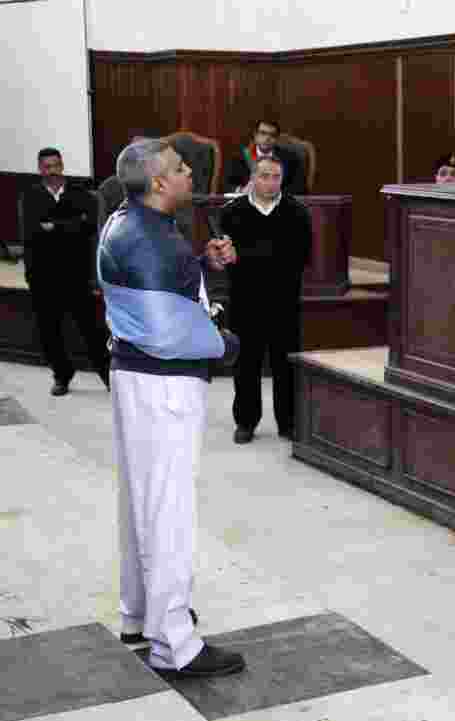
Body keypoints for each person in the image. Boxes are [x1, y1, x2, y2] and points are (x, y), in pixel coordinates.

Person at [97, 138, 244, 678]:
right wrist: (224, 344)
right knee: (169, 511)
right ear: (157, 183)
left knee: (142, 501)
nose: (189, 175)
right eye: (181, 169)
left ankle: (141, 617)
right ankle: (174, 644)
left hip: (136, 378)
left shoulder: (128, 221)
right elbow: (169, 330)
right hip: (164, 386)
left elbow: (167, 302)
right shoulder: (154, 241)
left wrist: (203, 268)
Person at [220, 154, 313, 444]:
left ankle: (289, 422)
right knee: (246, 364)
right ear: (252, 178)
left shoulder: (297, 212)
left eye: (276, 177)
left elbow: (297, 258)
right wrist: (246, 258)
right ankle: (246, 421)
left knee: (285, 364)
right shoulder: (232, 212)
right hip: (244, 300)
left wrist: (245, 257)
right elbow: (228, 257)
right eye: (264, 176)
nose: (270, 183)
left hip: (283, 300)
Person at [20, 147, 110, 396]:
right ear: (40, 169)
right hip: (44, 277)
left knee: (92, 330)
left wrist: (53, 227)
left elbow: (89, 227)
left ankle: (108, 375)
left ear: (62, 166)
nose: (52, 172)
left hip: (77, 275)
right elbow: (31, 234)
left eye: (56, 166)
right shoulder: (30, 197)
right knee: (50, 333)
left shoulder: (80, 194)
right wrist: (71, 226)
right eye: (47, 167)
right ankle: (62, 375)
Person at [225, 119, 307, 195]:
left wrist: (274, 192)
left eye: (272, 135)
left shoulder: (290, 158)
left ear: (277, 139)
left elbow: (300, 187)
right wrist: (241, 190)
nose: (267, 138)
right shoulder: (240, 158)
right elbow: (227, 185)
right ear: (255, 135)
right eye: (263, 133)